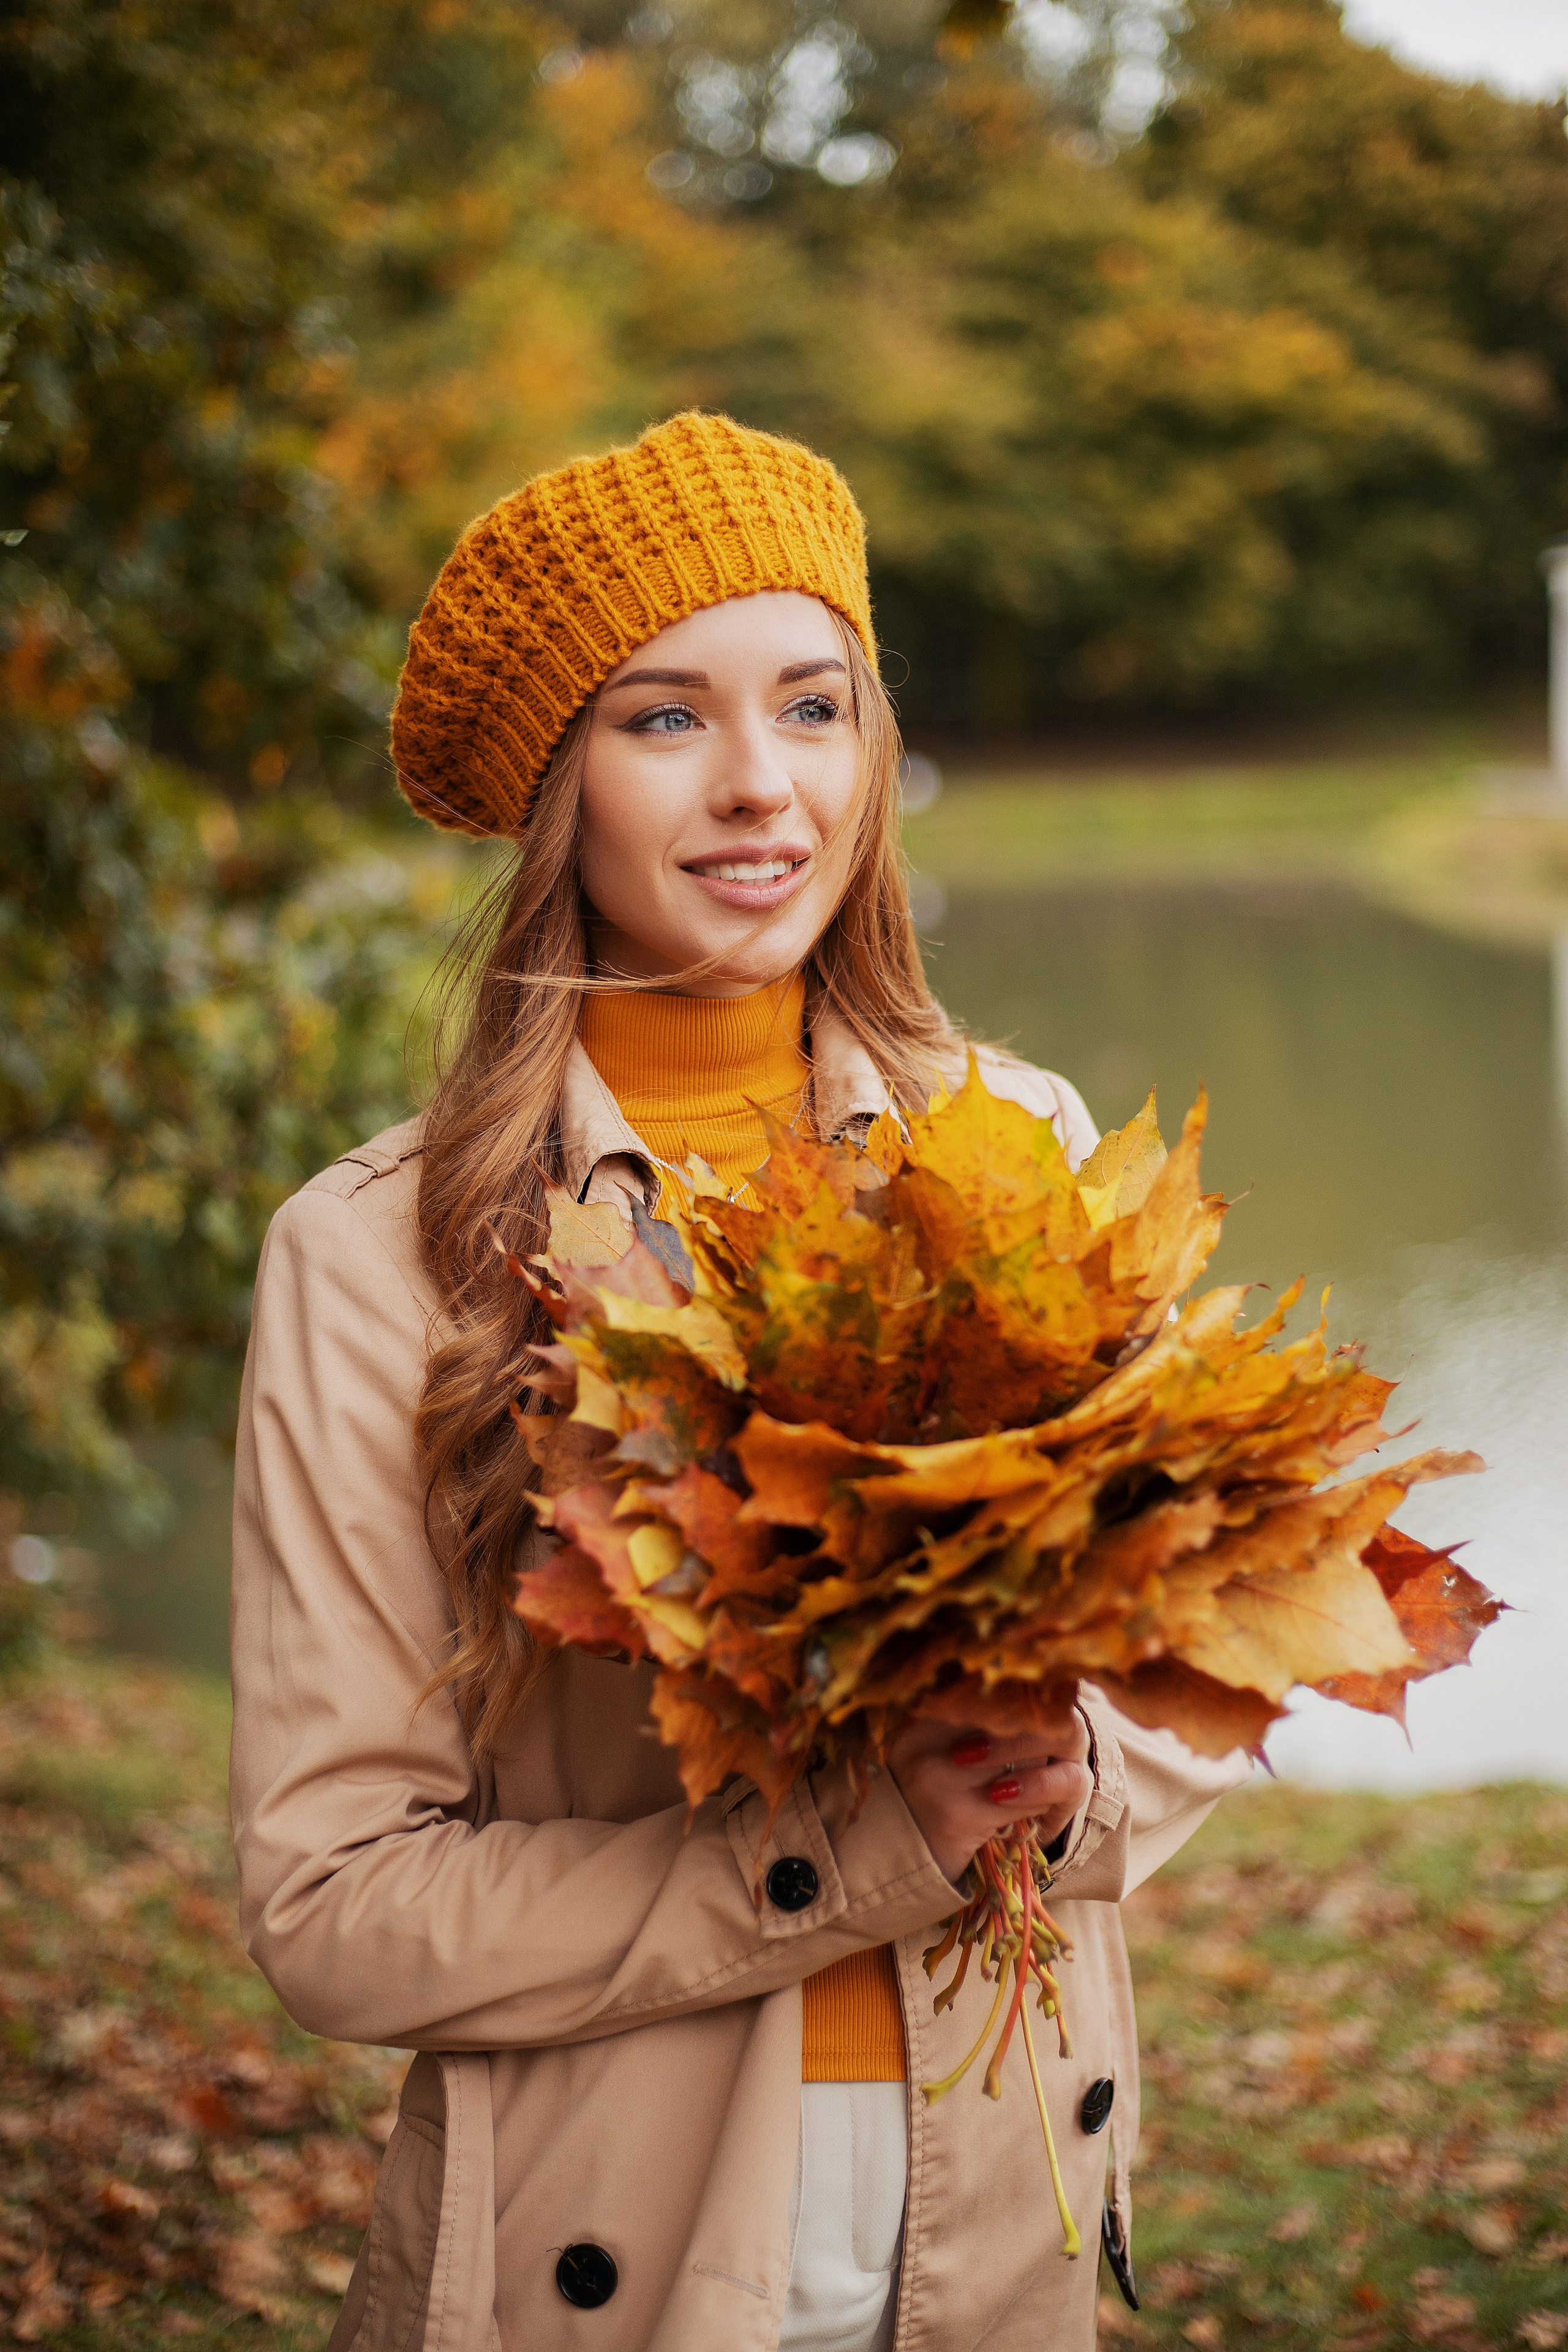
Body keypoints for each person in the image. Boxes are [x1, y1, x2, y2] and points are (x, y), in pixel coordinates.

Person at [229, 411, 1250, 2352]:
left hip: (1002, 2215)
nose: (763, 788)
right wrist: (860, 1853)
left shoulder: (1014, 1142)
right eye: (666, 720)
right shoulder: (378, 1258)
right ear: (560, 789)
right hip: (611, 2249)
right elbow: (336, 1910)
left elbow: (1194, 1660)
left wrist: (1065, 1773)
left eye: (814, 704)